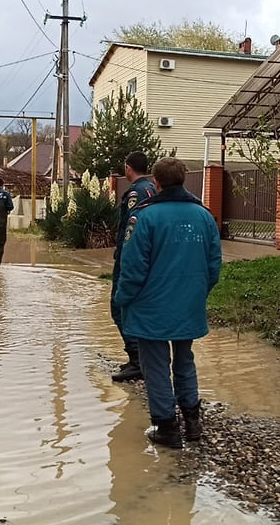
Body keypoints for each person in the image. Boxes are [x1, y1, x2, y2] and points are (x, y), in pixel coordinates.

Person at [113, 157, 222, 448]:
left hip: (151, 308)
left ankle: (167, 428)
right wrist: (196, 293)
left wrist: (122, 299)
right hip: (188, 306)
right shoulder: (203, 216)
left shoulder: (144, 216)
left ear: (156, 183)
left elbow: (132, 268)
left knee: (156, 367)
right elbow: (214, 266)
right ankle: (193, 422)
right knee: (185, 361)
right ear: (183, 180)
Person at [110, 151, 156, 383]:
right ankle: (139, 358)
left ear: (128, 168)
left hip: (131, 258)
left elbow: (132, 229)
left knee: (119, 307)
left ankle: (137, 360)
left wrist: (124, 257)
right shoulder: (152, 188)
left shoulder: (136, 193)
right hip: (149, 258)